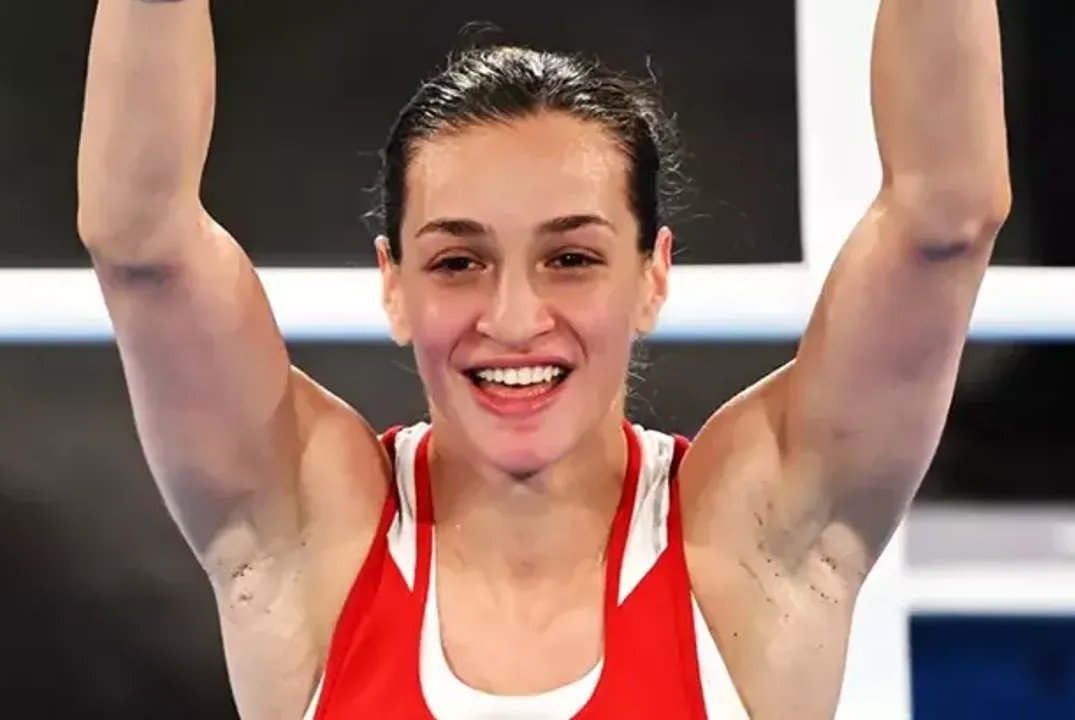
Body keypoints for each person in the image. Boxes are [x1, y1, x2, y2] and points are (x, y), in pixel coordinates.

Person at [75, 1, 1010, 717]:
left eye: (571, 258)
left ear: (652, 275)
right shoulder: (314, 534)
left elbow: (946, 219)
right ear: (393, 284)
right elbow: (141, 243)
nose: (515, 319)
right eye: (458, 262)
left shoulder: (751, 540)